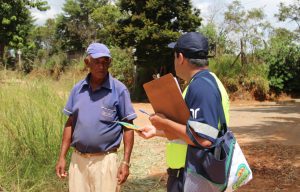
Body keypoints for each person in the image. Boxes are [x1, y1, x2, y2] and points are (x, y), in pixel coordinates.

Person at [138, 32, 230, 192]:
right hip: (193, 174)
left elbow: (204, 138)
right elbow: (193, 128)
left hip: (194, 177)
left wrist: (164, 122)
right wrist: (157, 131)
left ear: (180, 57)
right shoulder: (207, 81)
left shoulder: (201, 87)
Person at [55, 43, 137, 192]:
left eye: (106, 62)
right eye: (97, 62)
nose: (102, 66)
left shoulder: (119, 90)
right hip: (78, 161)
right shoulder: (77, 89)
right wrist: (62, 157)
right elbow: (70, 123)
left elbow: (128, 127)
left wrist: (125, 162)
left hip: (105, 161)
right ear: (87, 63)